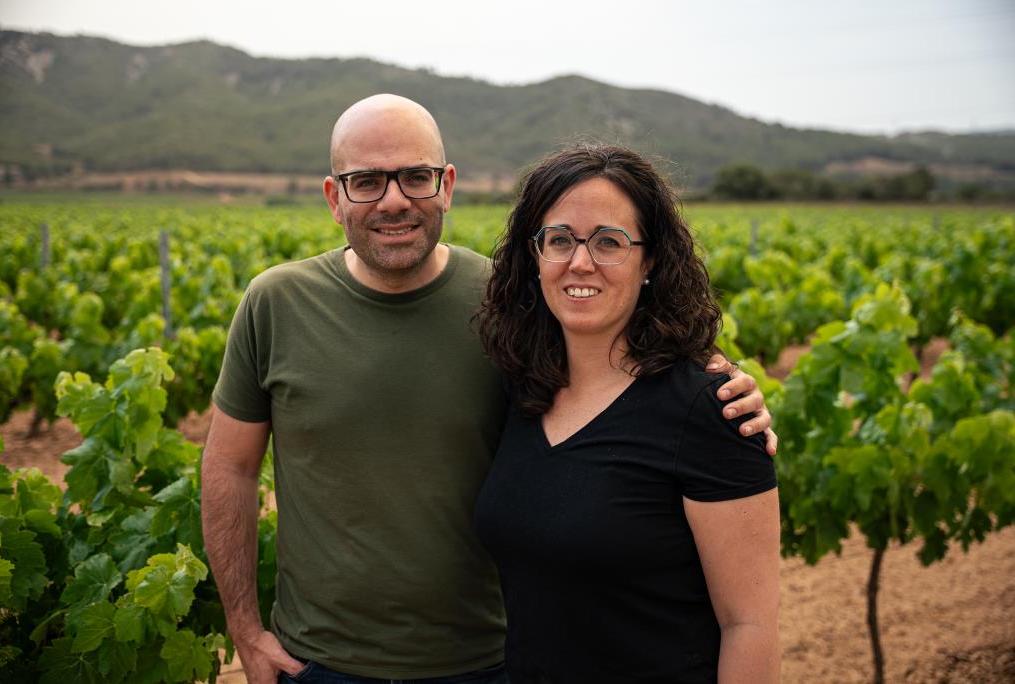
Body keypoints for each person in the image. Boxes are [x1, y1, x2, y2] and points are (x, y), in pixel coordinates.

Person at [201, 95, 776, 684]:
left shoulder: (506, 305)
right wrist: (244, 629)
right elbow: (229, 467)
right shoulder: (275, 303)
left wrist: (715, 379)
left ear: (445, 185)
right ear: (334, 196)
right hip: (318, 665)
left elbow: (616, 348)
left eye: (416, 177)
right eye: (366, 181)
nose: (394, 199)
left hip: (490, 665)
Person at [474, 145, 781, 683]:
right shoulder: (522, 391)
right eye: (559, 240)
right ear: (535, 255)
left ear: (651, 260)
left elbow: (749, 627)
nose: (580, 262)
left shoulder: (709, 410)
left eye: (609, 242)